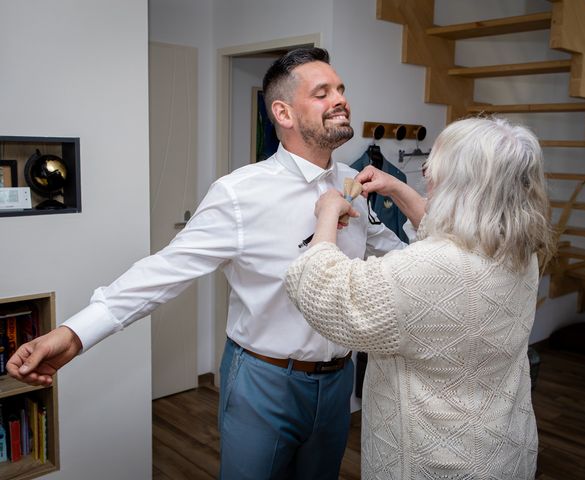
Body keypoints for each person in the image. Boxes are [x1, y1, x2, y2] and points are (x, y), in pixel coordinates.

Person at [7, 47, 405, 479]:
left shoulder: (352, 183)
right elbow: (162, 271)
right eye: (322, 92)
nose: (340, 99)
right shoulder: (239, 194)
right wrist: (74, 334)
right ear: (284, 113)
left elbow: (389, 250)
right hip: (264, 382)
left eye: (341, 89)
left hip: (338, 382)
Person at [285, 117, 555, 479]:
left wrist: (327, 215)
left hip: (436, 461)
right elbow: (454, 230)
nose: (427, 172)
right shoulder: (517, 249)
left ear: (461, 183)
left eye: (435, 166)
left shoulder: (423, 271)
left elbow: (323, 290)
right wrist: (395, 187)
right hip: (502, 446)